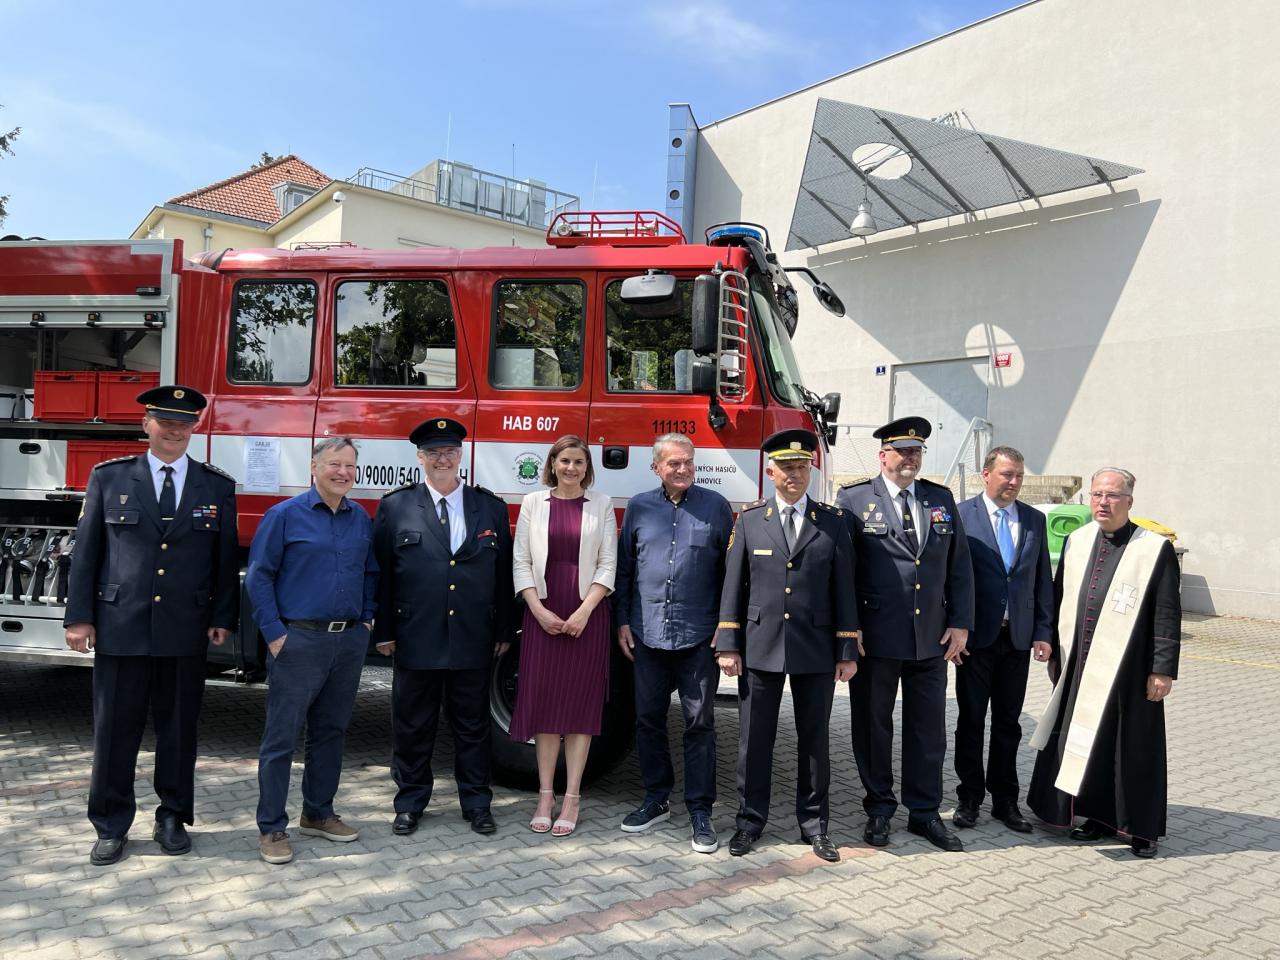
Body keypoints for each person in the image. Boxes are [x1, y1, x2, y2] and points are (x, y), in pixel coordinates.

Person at [63, 385, 239, 866]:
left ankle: (172, 817)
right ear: (146, 424)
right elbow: (87, 553)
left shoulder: (215, 486)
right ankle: (110, 825)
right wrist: (79, 617)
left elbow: (224, 561)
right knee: (114, 733)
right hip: (121, 625)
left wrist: (222, 617)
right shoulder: (110, 477)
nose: (175, 430)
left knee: (178, 732)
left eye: (184, 423)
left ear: (195, 427)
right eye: (165, 421)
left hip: (185, 629)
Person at [716, 429, 859, 862]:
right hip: (760, 646)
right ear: (771, 472)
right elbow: (733, 586)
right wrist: (729, 644)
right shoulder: (750, 520)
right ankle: (749, 822)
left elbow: (844, 590)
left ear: (810, 471)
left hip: (816, 648)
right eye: (786, 468)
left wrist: (847, 651)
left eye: (801, 467)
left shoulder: (832, 522)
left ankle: (815, 825)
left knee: (814, 741)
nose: (795, 475)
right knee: (754, 740)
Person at [1027, 467, 1180, 859]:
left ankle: (1140, 828)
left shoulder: (1153, 549)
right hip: (1081, 666)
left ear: (1129, 501)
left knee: (1133, 748)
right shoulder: (1077, 541)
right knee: (1089, 744)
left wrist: (1162, 669)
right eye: (1097, 495)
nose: (1103, 502)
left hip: (1130, 670)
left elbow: (1167, 612)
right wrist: (1054, 649)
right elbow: (1059, 598)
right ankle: (1096, 817)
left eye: (1112, 495)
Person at [371, 418, 514, 837]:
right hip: (415, 635)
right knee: (413, 725)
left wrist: (504, 629)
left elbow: (502, 574)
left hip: (473, 635)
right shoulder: (396, 506)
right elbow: (381, 574)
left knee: (473, 725)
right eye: (433, 452)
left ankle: (477, 803)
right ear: (420, 458)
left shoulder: (489, 506)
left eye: (449, 451)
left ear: (460, 455)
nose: (442, 459)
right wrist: (384, 630)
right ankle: (410, 803)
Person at [837, 416, 973, 852]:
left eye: (917, 451)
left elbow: (959, 566)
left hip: (931, 637)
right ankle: (879, 808)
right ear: (883, 456)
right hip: (876, 638)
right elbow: (843, 571)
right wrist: (849, 631)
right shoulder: (855, 499)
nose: (910, 458)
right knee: (873, 727)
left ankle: (924, 812)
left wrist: (960, 623)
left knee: (928, 730)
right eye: (902, 451)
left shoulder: (939, 497)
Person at [247, 437, 378, 864]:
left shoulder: (360, 518)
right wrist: (274, 633)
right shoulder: (284, 516)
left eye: (350, 466)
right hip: (298, 640)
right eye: (335, 464)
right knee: (281, 737)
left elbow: (371, 573)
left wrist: (366, 620)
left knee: (331, 731)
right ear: (314, 467)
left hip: (348, 640)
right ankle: (272, 827)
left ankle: (318, 813)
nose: (343, 473)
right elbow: (259, 577)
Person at [615, 433, 733, 853]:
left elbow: (731, 575)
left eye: (688, 462)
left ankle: (700, 810)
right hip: (646, 633)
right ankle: (656, 798)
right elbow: (625, 568)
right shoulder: (639, 507)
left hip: (699, 636)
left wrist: (727, 629)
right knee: (648, 719)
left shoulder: (716, 507)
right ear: (656, 468)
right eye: (673, 463)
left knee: (699, 723)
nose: (682, 469)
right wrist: (622, 620)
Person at [510, 435, 616, 837]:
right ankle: (545, 796)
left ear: (587, 468)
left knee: (579, 709)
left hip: (587, 613)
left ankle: (572, 796)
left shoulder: (601, 504)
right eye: (564, 460)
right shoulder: (533, 502)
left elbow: (608, 563)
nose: (571, 468)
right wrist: (537, 611)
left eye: (579, 462)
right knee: (544, 705)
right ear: (552, 464)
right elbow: (521, 561)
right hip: (543, 611)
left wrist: (585, 611)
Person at [953, 446, 1053, 834]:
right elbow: (951, 578)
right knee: (971, 720)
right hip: (975, 638)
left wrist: (1043, 631)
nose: (1013, 482)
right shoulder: (962, 515)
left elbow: (1042, 579)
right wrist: (955, 627)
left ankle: (1005, 800)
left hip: (1017, 638)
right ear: (986, 474)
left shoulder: (1033, 519)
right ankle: (969, 797)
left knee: (1008, 723)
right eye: (1007, 474)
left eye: (1019, 476)